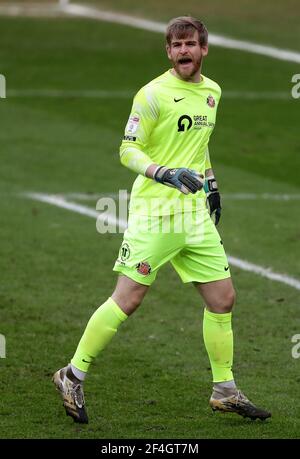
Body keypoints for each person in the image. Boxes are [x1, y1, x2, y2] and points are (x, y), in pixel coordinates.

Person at [53, 16, 271, 424]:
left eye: (190, 44)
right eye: (176, 46)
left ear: (204, 49)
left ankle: (224, 390)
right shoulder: (152, 94)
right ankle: (72, 374)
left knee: (223, 299)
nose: (183, 51)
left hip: (194, 215)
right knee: (129, 298)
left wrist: (212, 183)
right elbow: (127, 149)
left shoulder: (212, 92)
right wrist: (164, 172)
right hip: (155, 212)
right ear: (168, 52)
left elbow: (198, 146)